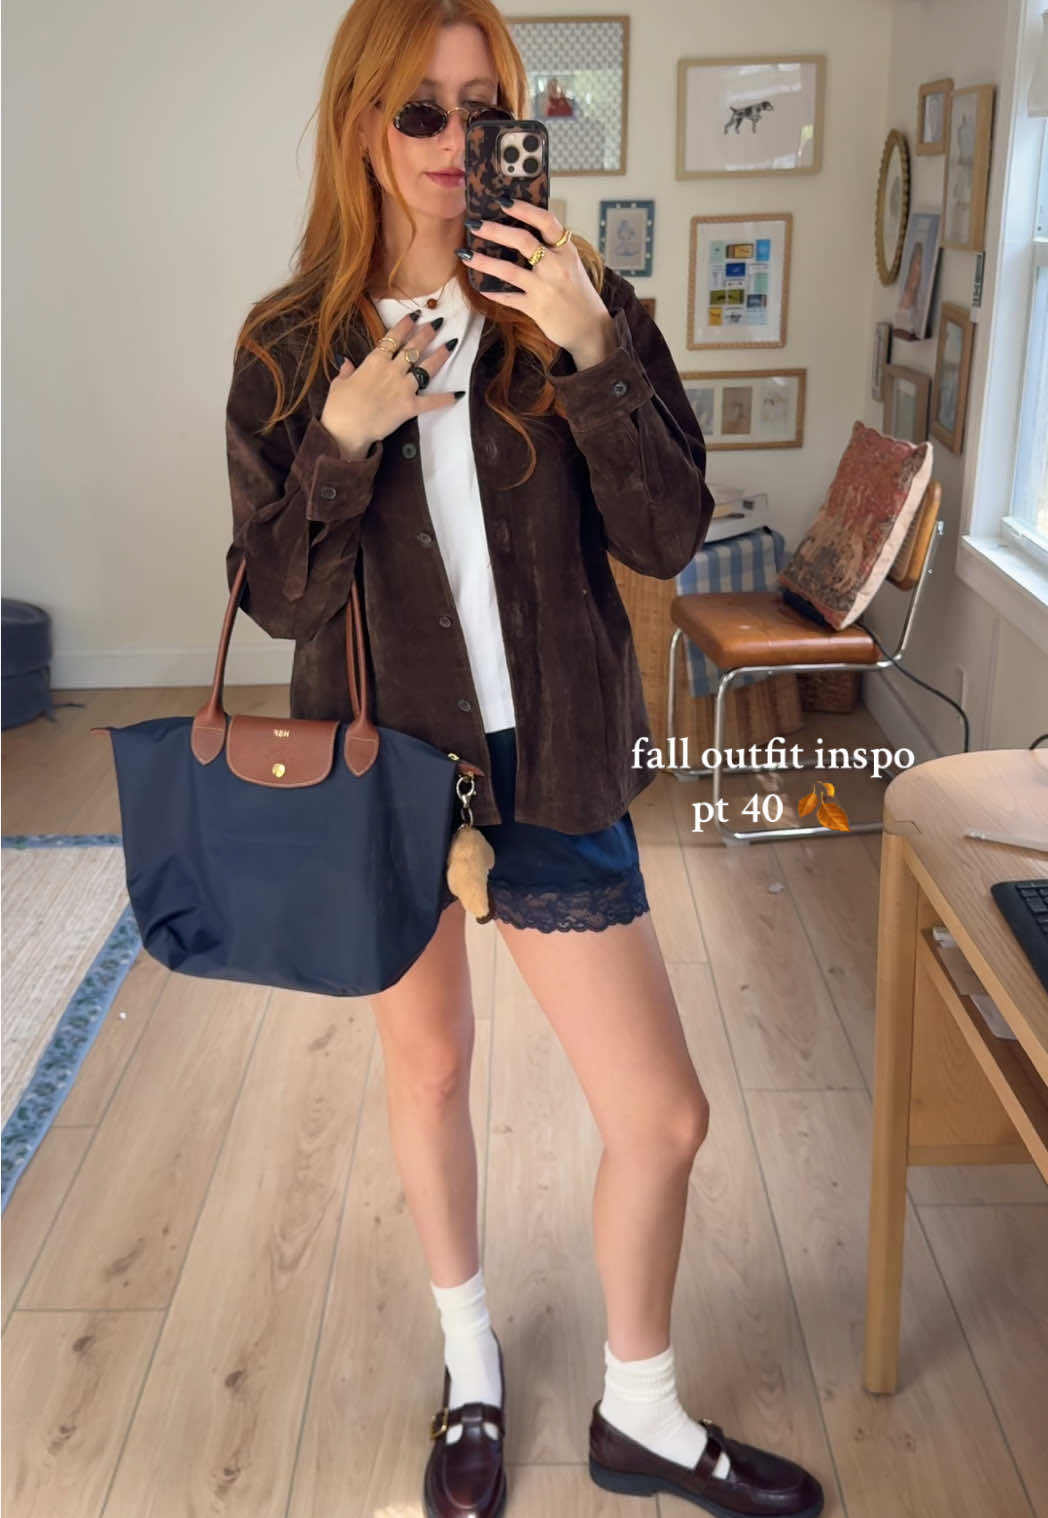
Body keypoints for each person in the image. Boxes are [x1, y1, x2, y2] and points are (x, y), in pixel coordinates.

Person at [223, 3, 825, 1516]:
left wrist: (595, 350)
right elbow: (276, 599)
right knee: (429, 1069)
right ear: (362, 124)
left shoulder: (582, 301)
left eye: (483, 108)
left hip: (551, 763)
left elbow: (668, 537)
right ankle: (470, 1364)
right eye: (420, 111)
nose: (453, 142)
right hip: (383, 776)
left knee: (663, 1117)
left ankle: (641, 1413)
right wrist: (342, 435)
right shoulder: (289, 347)